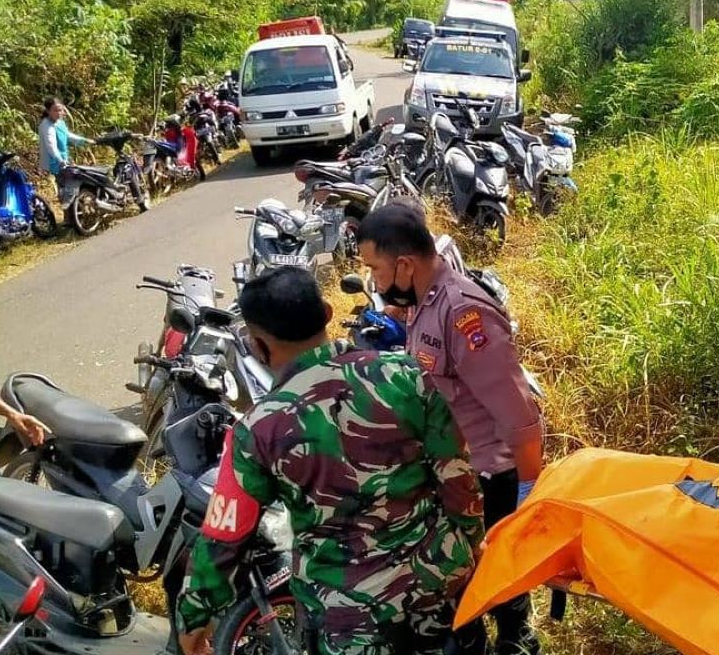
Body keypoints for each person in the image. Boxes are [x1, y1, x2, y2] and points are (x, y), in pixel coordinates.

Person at [175, 266, 483, 655]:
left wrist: (194, 619)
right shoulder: (406, 375)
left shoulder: (259, 430)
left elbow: (224, 537)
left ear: (257, 345)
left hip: (348, 622)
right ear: (326, 312)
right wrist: (471, 545)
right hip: (438, 592)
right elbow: (459, 477)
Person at [357, 201, 543, 655]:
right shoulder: (424, 301)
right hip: (456, 470)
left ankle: (517, 641)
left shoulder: (465, 313)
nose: (373, 281)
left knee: (498, 572)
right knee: (465, 578)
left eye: (374, 269)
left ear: (404, 264)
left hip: (489, 475)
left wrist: (527, 491)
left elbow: (518, 413)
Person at [37, 97, 92, 192]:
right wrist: (60, 160)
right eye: (55, 110)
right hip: (53, 163)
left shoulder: (59, 122)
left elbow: (67, 135)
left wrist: (84, 140)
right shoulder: (47, 126)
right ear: (48, 111)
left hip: (62, 160)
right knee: (67, 190)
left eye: (60, 110)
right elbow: (51, 147)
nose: (58, 113)